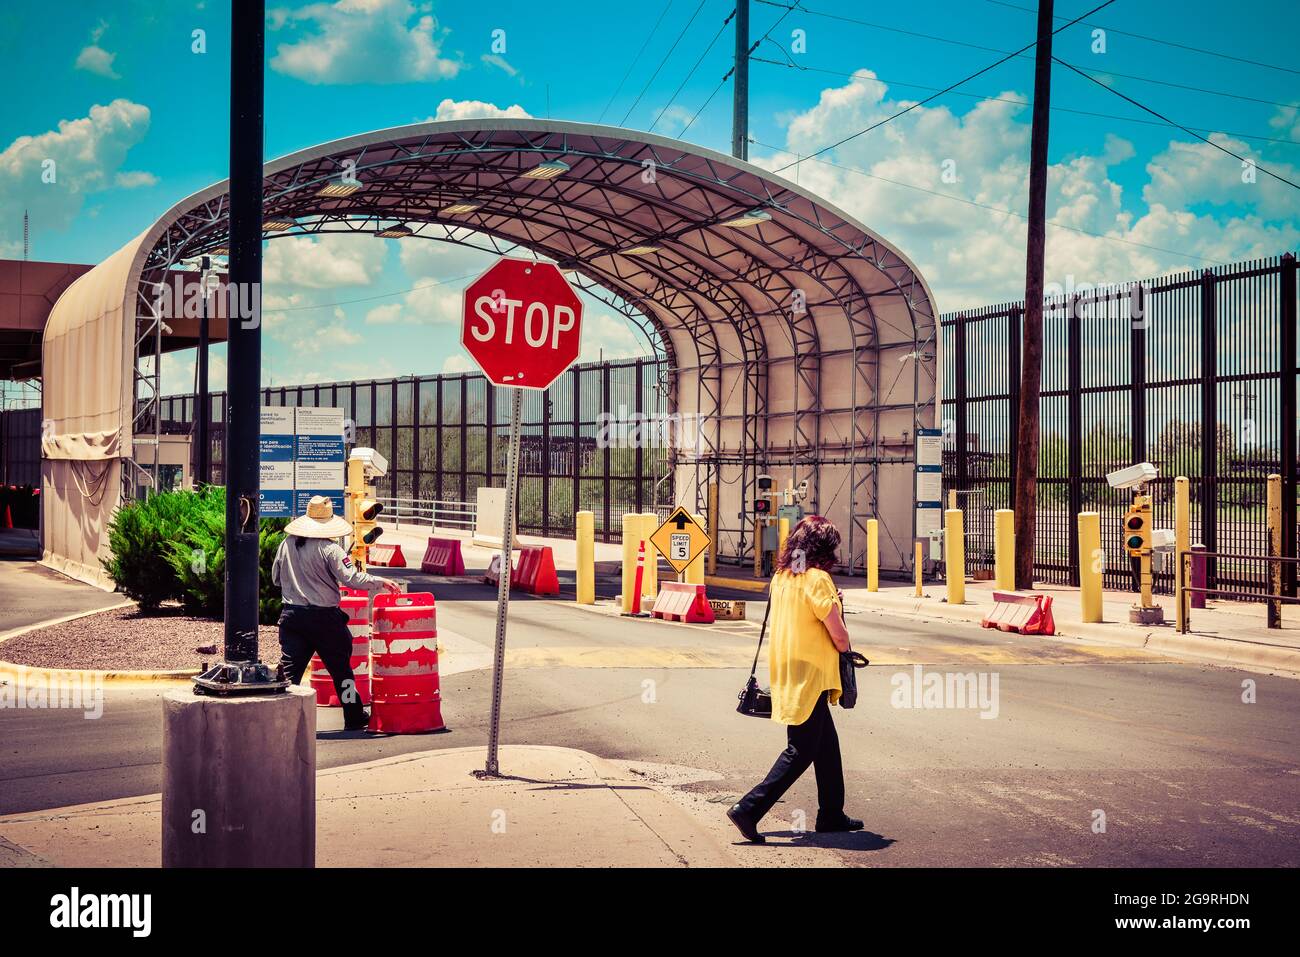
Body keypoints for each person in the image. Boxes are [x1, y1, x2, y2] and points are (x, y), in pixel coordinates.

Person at [727, 515, 862, 843]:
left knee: (826, 746)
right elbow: (840, 638)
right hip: (812, 674)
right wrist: (838, 609)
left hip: (789, 670)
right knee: (801, 749)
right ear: (824, 548)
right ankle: (749, 808)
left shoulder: (782, 577)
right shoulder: (818, 579)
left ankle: (831, 813)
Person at [271, 495, 400, 731]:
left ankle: (278, 719)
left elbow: (276, 579)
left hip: (291, 616)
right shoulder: (330, 549)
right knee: (341, 671)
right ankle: (353, 715)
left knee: (289, 673)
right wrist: (380, 581)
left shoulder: (286, 544)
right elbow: (351, 578)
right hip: (324, 619)